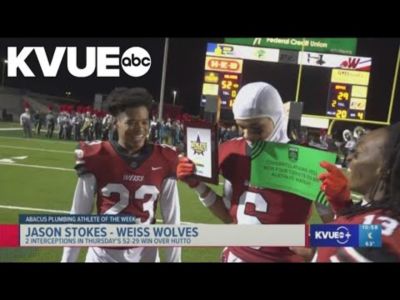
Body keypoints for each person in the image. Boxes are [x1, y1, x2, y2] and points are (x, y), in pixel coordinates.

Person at [177, 82, 332, 262]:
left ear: (277, 118)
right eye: (241, 127)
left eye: (256, 128)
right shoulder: (232, 151)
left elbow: (340, 229)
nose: (247, 135)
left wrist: (315, 251)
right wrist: (197, 185)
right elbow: (229, 215)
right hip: (236, 256)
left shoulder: (309, 161)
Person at [61, 87, 181, 262]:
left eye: (144, 122)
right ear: (116, 122)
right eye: (131, 122)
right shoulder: (97, 156)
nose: (139, 129)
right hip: (102, 255)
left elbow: (172, 222)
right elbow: (79, 215)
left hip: (145, 255)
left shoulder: (164, 159)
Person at [314, 123, 400, 262]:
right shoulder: (378, 221)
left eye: (357, 153)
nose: (348, 158)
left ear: (384, 167)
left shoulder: (377, 239)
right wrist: (342, 207)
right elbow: (332, 235)